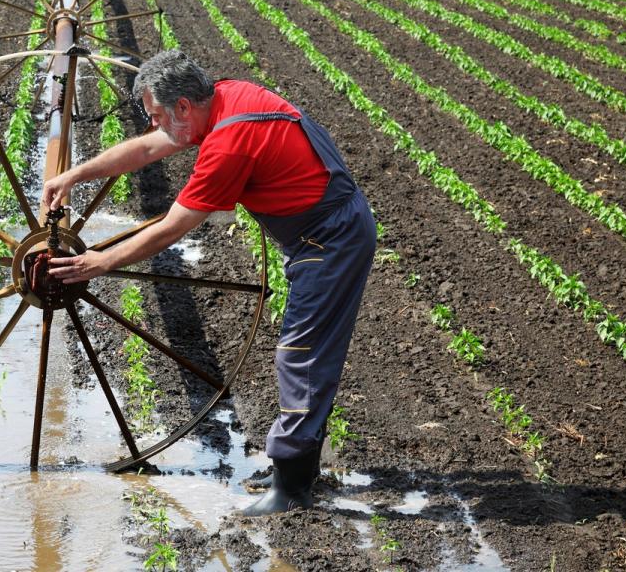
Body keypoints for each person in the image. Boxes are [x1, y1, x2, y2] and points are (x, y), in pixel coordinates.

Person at [42, 50, 376, 515]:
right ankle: (295, 466)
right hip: (320, 231)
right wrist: (76, 174)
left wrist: (102, 261)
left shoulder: (229, 142)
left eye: (158, 115)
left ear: (183, 107)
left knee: (302, 354)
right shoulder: (224, 98)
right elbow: (147, 148)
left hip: (331, 239)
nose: (157, 127)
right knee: (304, 350)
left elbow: (172, 227)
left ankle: (293, 489)